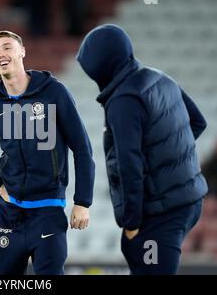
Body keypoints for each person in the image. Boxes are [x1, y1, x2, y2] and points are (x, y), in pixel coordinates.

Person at [76, 24, 208, 275]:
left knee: (141, 258)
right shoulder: (159, 77)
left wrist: (132, 223)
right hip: (189, 201)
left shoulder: (124, 100)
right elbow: (197, 122)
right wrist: (170, 162)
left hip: (161, 212)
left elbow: (130, 165)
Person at [0, 30, 95, 275]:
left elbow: (82, 148)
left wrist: (82, 202)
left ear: (22, 52)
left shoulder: (54, 92)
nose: (1, 54)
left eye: (7, 47)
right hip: (9, 213)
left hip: (48, 212)